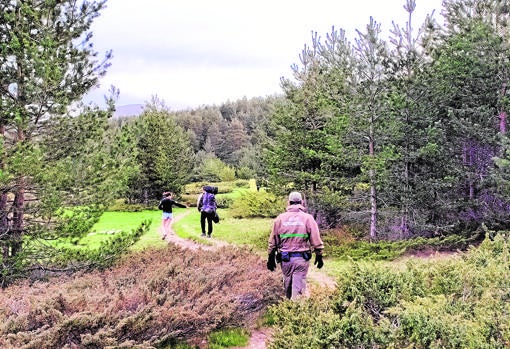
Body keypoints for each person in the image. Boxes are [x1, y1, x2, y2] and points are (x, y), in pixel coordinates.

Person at [267, 191, 324, 299]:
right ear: (302, 202)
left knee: (287, 288)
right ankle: (296, 313)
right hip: (301, 260)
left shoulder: (280, 218)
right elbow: (316, 240)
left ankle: (288, 311)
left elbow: (273, 240)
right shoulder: (308, 218)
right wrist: (319, 255)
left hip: (285, 260)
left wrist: (270, 257)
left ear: (288, 202)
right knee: (298, 291)